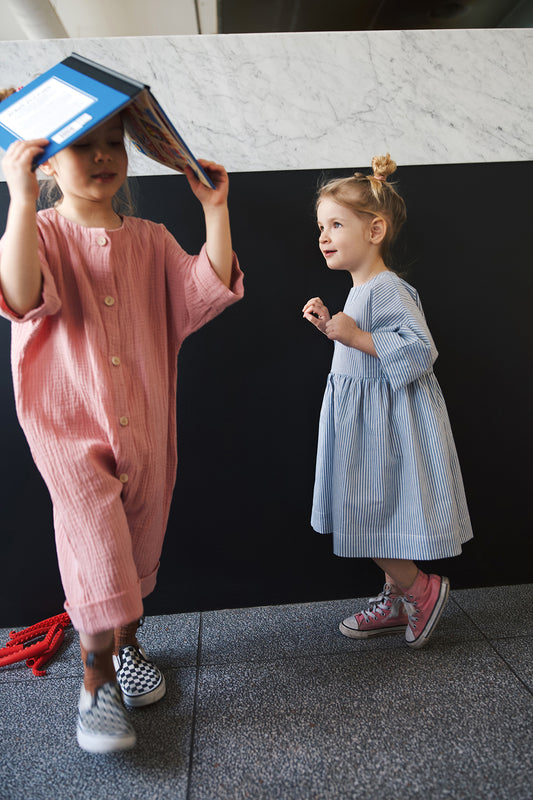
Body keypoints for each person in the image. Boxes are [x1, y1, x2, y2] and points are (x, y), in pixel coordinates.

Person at [0, 115, 243, 753]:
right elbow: (20, 294)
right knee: (96, 545)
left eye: (114, 143)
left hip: (146, 421)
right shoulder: (44, 233)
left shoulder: (152, 239)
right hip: (68, 424)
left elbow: (202, 292)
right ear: (49, 163)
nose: (104, 156)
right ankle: (95, 680)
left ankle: (129, 648)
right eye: (83, 145)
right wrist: (20, 202)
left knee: (136, 542)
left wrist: (215, 211)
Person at [302, 154, 472, 650]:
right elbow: (362, 347)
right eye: (321, 226)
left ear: (375, 230)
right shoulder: (359, 292)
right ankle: (399, 596)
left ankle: (421, 589)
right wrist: (333, 328)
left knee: (371, 513)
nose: (324, 235)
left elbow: (420, 350)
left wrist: (353, 338)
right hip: (364, 421)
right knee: (372, 512)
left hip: (386, 426)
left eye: (336, 224)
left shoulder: (388, 288)